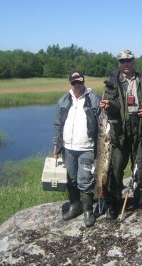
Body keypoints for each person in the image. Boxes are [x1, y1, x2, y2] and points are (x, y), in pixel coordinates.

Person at [100, 50, 142, 218]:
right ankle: (114, 201)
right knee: (116, 168)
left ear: (134, 61)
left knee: (139, 166)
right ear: (119, 63)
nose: (125, 64)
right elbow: (112, 104)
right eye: (122, 61)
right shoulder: (112, 82)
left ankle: (140, 198)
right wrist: (107, 106)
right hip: (119, 131)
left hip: (139, 128)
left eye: (128, 60)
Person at [53, 71, 101, 227]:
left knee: (85, 180)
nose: (77, 85)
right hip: (68, 148)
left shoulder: (94, 98)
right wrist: (56, 144)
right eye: (74, 83)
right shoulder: (63, 100)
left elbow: (102, 123)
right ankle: (75, 207)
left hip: (87, 147)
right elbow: (57, 124)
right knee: (71, 179)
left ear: (84, 81)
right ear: (70, 83)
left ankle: (88, 211)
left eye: (80, 82)